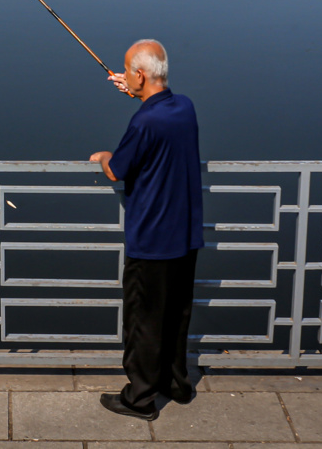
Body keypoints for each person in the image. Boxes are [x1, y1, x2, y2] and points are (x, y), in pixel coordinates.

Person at [89, 39, 203, 421]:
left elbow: (117, 169)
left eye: (129, 72)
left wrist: (104, 156)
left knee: (144, 322)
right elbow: (158, 116)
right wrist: (138, 90)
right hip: (186, 236)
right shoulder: (184, 107)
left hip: (152, 241)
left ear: (140, 74)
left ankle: (139, 399)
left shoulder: (143, 121)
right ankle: (177, 384)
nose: (125, 76)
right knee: (176, 315)